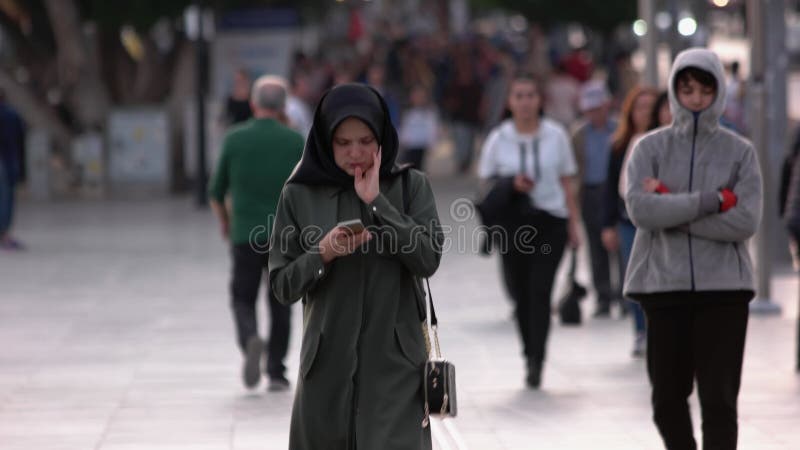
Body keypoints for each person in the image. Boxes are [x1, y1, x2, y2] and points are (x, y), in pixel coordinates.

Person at [268, 83, 442, 449]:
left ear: (381, 137)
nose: (356, 153)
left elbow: (427, 259)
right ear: (325, 141)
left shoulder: (411, 186)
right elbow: (282, 285)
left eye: (365, 140)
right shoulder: (298, 195)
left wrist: (377, 202)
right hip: (326, 368)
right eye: (343, 143)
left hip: (396, 368)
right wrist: (322, 254)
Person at [623, 48, 762, 449]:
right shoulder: (648, 149)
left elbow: (745, 221)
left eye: (705, 89)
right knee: (666, 399)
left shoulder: (741, 152)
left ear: (717, 92)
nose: (696, 98)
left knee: (719, 400)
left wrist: (671, 207)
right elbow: (641, 211)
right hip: (662, 286)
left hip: (725, 290)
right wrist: (711, 201)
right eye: (687, 89)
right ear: (674, 91)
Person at [477, 72, 580, 389]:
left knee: (540, 289)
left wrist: (574, 224)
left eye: (530, 95)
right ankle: (528, 352)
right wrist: (511, 185)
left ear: (540, 100)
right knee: (520, 293)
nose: (525, 102)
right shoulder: (499, 138)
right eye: (519, 96)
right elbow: (486, 182)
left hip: (551, 222)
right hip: (513, 225)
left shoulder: (556, 135)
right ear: (510, 101)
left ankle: (538, 357)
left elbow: (567, 181)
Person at [209, 76, 304, 391]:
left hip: (245, 233)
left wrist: (225, 220)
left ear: (253, 104)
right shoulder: (295, 141)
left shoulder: (235, 139)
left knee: (242, 298)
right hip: (284, 235)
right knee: (281, 303)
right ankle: (276, 371)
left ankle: (250, 338)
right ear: (283, 106)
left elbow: (215, 190)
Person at [601, 86, 657, 353]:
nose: (645, 112)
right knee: (633, 277)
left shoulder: (665, 143)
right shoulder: (621, 144)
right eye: (640, 107)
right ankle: (640, 330)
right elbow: (611, 187)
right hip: (626, 221)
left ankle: (658, 328)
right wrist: (607, 224)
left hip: (659, 221)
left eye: (650, 106)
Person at [571, 80, 619, 317]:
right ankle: (603, 295)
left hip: (615, 192)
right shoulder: (579, 134)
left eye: (597, 108)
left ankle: (624, 295)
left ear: (606, 106)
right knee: (595, 246)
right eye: (589, 110)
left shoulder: (619, 129)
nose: (594, 114)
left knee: (621, 244)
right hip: (590, 193)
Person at [0, 92, 25, 251]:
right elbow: (19, 139)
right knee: (5, 200)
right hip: (7, 161)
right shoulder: (11, 114)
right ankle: (4, 235)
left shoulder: (10, 115)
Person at [398, 84, 439, 171]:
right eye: (416, 96)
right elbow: (404, 127)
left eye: (421, 96)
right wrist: (403, 140)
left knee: (420, 166)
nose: (418, 99)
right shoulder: (407, 112)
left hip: (422, 143)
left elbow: (432, 128)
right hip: (411, 144)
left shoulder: (429, 113)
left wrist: (432, 142)